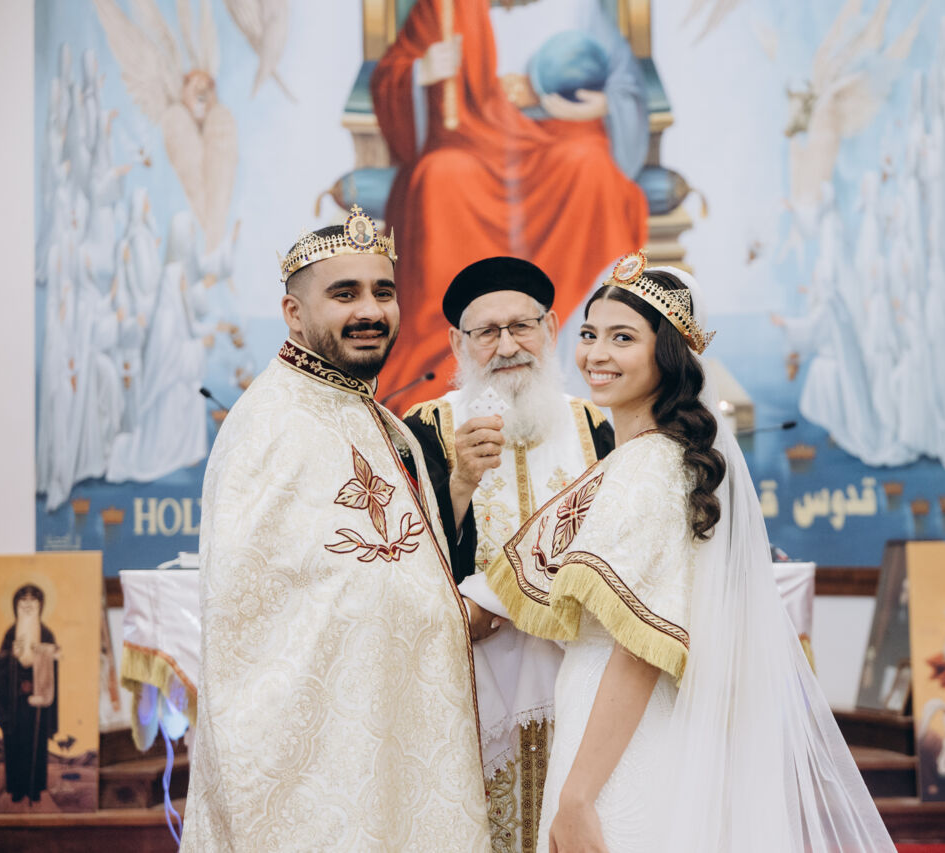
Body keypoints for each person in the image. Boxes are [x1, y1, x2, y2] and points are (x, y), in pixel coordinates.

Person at [487, 252, 895, 851]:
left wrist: (578, 796)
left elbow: (640, 649)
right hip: (631, 723)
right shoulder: (654, 455)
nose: (596, 354)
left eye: (623, 338)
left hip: (620, 742)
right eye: (590, 334)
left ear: (669, 355)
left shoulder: (647, 467)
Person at [180, 207, 491, 852]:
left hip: (387, 747)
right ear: (293, 314)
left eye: (383, 291)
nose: (370, 311)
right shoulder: (272, 425)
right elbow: (252, 636)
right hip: (319, 781)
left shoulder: (368, 413)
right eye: (344, 294)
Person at [403, 256, 615, 852]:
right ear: (457, 344)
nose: (506, 346)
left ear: (550, 329)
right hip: (472, 676)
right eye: (486, 332)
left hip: (576, 670)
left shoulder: (595, 424)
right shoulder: (426, 427)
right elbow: (404, 558)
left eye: (521, 326)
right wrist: (460, 483)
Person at [370, 0, 649, 408]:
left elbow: (624, 84)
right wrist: (421, 72)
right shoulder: (444, 7)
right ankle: (449, 360)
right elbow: (390, 78)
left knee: (591, 167)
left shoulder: (581, 9)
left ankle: (573, 353)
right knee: (440, 176)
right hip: (470, 138)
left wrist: (604, 105)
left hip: (558, 133)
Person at [0, 584, 60, 805]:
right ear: (16, 605)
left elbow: (53, 670)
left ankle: (35, 788)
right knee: (15, 744)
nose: (28, 606)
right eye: (24, 601)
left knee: (36, 744)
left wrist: (49, 656)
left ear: (40, 605)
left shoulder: (46, 633)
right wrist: (10, 657)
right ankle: (17, 789)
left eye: (33, 601)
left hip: (38, 703)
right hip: (15, 703)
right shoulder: (10, 633)